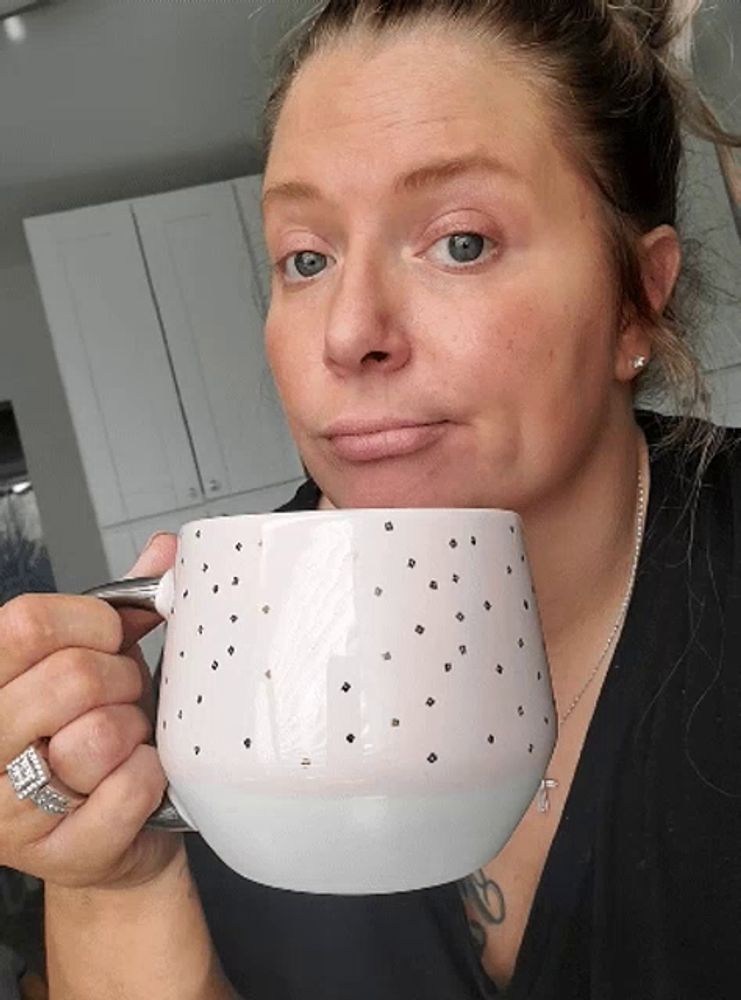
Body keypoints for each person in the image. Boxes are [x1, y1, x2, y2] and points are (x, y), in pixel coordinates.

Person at [1, 1, 740, 997]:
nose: (347, 332)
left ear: (634, 299)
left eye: (461, 242)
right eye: (306, 258)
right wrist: (112, 875)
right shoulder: (223, 662)